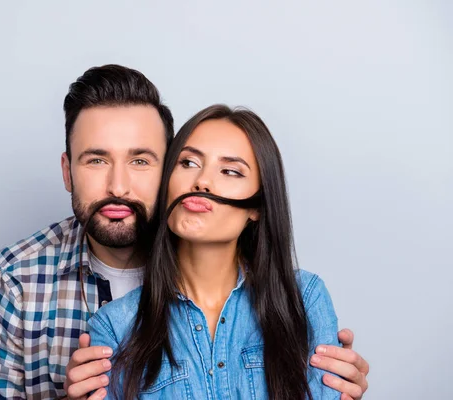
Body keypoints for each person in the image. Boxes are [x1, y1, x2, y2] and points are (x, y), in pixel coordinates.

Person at [0, 65, 369, 400]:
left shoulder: (283, 288)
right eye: (96, 161)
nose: (118, 186)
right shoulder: (18, 278)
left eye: (141, 161)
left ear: (167, 169)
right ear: (67, 171)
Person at [88, 104, 352, 399]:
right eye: (188, 163)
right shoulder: (114, 326)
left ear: (256, 207)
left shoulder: (305, 298)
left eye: (230, 171)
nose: (202, 181)